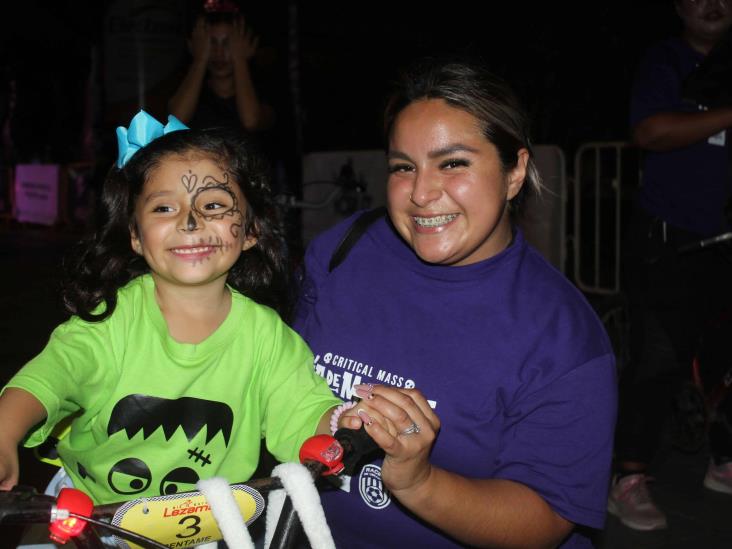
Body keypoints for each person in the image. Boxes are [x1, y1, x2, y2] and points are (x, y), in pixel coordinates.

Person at [293, 59, 617, 548]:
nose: (422, 193)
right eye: (404, 167)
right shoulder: (342, 250)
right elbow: (280, 377)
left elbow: (545, 521)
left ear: (515, 172)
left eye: (453, 163)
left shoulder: (563, 337)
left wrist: (420, 483)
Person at [0, 111, 345, 505]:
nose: (191, 222)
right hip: (89, 514)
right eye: (164, 208)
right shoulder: (110, 322)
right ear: (134, 234)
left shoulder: (267, 338)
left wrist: (342, 423)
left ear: (250, 230)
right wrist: (4, 433)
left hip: (211, 524)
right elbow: (48, 379)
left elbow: (302, 410)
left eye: (214, 205)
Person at [609, 0, 732, 532]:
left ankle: (723, 461)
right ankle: (626, 479)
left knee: (726, 359)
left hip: (729, 241)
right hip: (669, 243)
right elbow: (650, 132)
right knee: (658, 359)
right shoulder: (664, 60)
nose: (712, 4)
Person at [168, 1, 274, 133]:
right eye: (212, 43)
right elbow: (176, 120)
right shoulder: (188, 87)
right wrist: (200, 60)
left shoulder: (264, 87)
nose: (219, 53)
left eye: (228, 43)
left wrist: (239, 59)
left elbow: (251, 122)